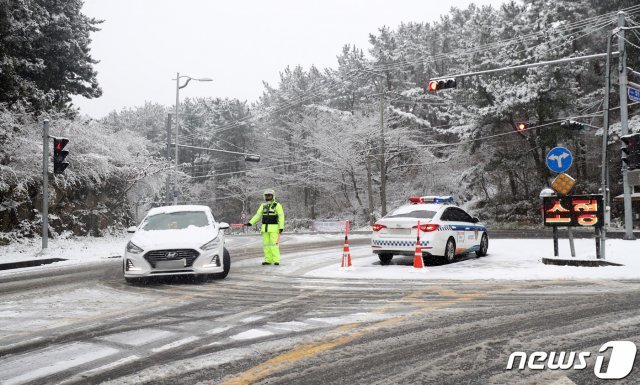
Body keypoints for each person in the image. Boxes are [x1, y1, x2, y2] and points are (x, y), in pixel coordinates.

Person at [245, 189, 285, 265]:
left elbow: (281, 217)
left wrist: (281, 227)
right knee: (266, 245)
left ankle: (276, 260)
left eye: (269, 195)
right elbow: (258, 215)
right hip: (265, 229)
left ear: (273, 196)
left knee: (274, 245)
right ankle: (268, 260)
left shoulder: (277, 205)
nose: (268, 196)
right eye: (266, 195)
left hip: (274, 229)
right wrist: (251, 222)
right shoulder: (263, 205)